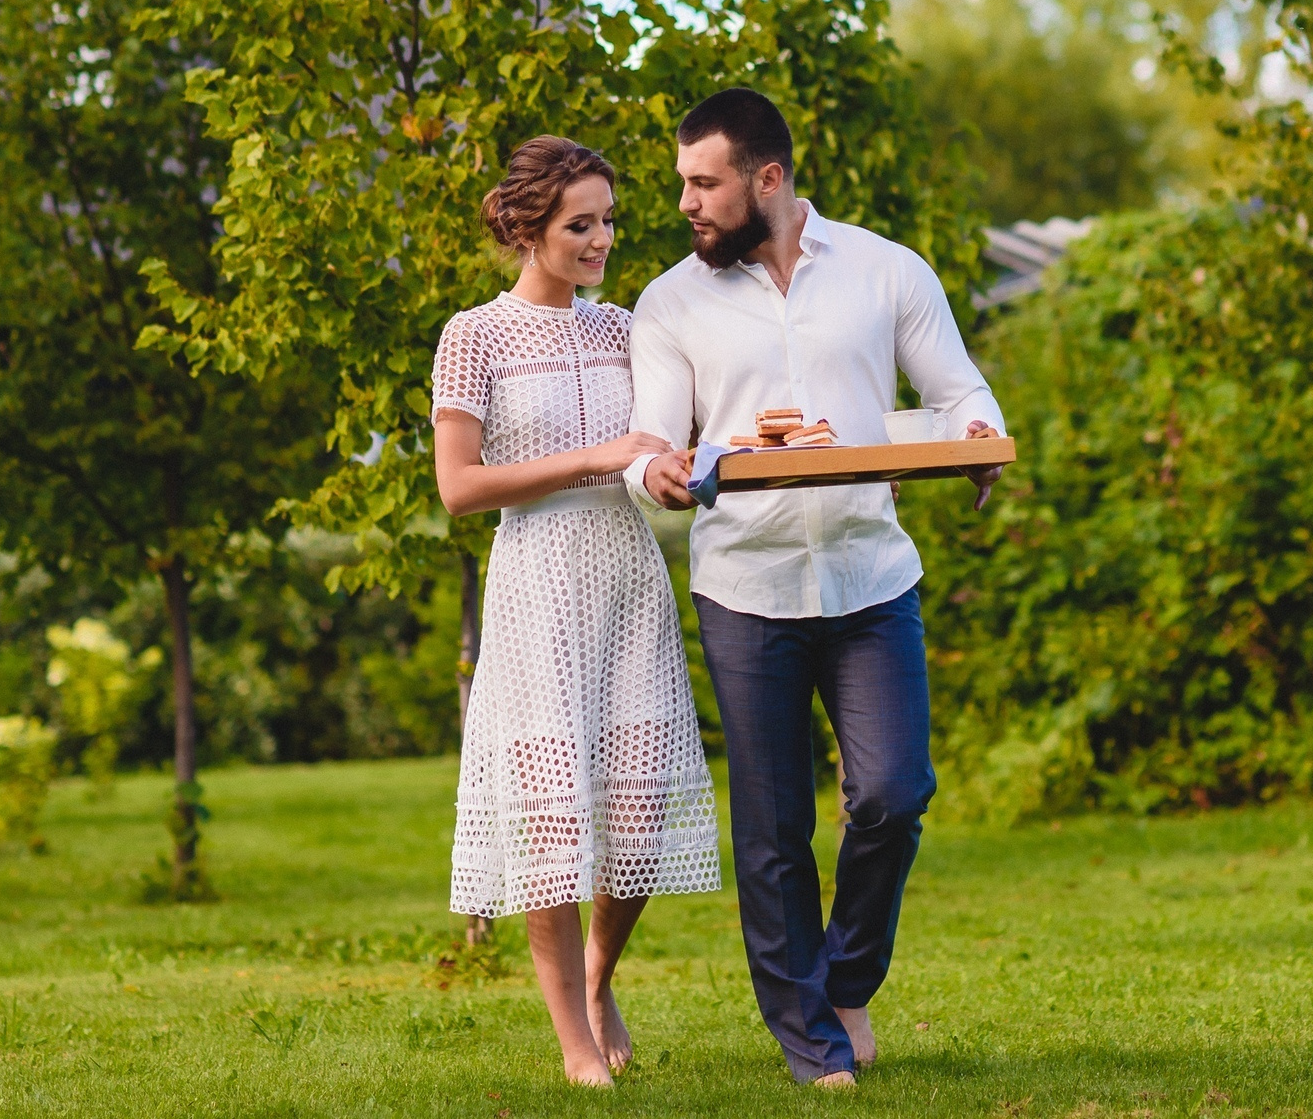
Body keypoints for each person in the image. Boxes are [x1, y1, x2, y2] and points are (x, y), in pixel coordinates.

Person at [624, 87, 1006, 1089]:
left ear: (769, 178)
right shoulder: (670, 302)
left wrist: (975, 436)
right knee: (772, 823)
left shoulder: (886, 271)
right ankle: (810, 1041)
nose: (687, 204)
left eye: (703, 183)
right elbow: (654, 442)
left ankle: (844, 979)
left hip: (871, 575)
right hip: (745, 585)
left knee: (892, 791)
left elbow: (958, 392)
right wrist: (654, 471)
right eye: (681, 184)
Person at [431, 135, 722, 1089]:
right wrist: (597, 457)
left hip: (627, 580)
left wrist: (666, 471)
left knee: (635, 815)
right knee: (554, 823)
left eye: (607, 220)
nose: (602, 239)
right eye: (580, 223)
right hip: (537, 582)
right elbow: (460, 488)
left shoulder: (621, 327)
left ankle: (599, 976)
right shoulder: (474, 335)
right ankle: (572, 1038)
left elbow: (648, 451)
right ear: (527, 226)